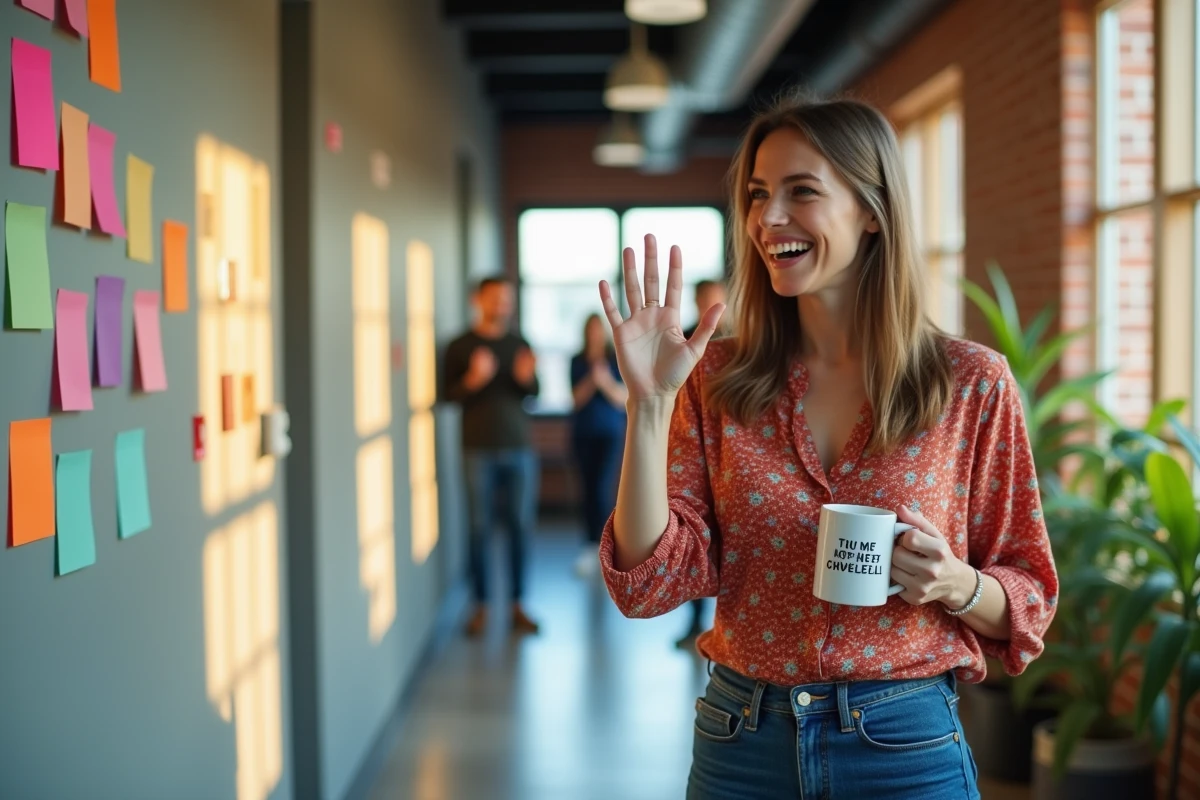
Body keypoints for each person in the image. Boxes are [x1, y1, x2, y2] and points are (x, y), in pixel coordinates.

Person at [595, 95, 1057, 800]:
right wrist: (650, 406)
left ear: (872, 210)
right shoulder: (713, 378)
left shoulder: (971, 384)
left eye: (800, 191)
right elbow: (650, 582)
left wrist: (956, 584)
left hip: (904, 743)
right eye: (756, 195)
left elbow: (1028, 597)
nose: (766, 218)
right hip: (740, 740)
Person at [442, 277, 541, 637]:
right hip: (476, 449)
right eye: (495, 298)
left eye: (506, 299)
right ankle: (480, 606)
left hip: (519, 447)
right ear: (477, 300)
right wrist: (473, 378)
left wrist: (525, 377)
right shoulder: (459, 346)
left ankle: (518, 605)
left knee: (519, 526)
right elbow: (448, 396)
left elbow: (533, 392)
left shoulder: (519, 344)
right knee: (479, 529)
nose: (502, 305)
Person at [676, 279, 727, 649]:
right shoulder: (684, 339)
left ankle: (720, 623)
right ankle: (695, 622)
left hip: (730, 448)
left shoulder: (745, 342)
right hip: (692, 442)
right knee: (693, 536)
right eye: (705, 297)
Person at [569, 313, 628, 577]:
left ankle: (606, 549)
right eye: (590, 329)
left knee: (603, 490)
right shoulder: (577, 361)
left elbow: (622, 399)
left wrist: (603, 381)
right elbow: (575, 399)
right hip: (582, 434)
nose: (594, 334)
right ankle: (590, 547)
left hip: (610, 434)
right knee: (587, 490)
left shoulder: (616, 359)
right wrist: (591, 380)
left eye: (598, 329)